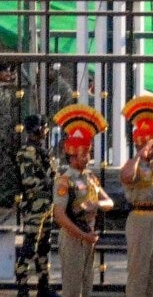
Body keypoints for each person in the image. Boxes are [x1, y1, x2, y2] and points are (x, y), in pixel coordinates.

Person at [52, 104, 114, 297]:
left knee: (86, 287)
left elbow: (109, 203)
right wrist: (81, 235)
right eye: (83, 153)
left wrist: (96, 204)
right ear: (71, 156)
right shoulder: (65, 180)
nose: (87, 157)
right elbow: (59, 215)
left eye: (88, 152)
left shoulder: (90, 177)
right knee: (72, 289)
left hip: (89, 235)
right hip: (73, 236)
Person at [120, 96, 153, 297]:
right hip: (140, 218)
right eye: (151, 143)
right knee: (138, 272)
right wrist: (140, 155)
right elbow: (126, 176)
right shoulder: (133, 164)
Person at [15, 114, 54, 297]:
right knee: (29, 247)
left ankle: (43, 286)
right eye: (43, 127)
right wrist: (48, 183)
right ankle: (22, 288)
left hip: (46, 205)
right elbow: (29, 181)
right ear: (37, 129)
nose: (45, 131)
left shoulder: (42, 151)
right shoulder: (26, 152)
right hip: (34, 205)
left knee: (44, 247)